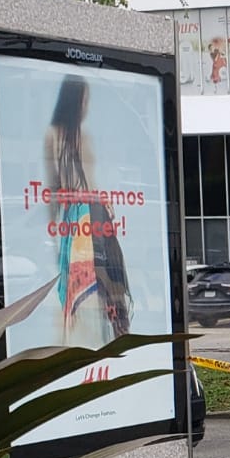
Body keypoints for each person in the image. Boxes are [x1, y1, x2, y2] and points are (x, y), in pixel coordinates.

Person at [45, 75, 132, 345]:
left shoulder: (77, 137)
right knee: (87, 289)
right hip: (81, 221)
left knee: (99, 285)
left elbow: (75, 185)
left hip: (88, 219)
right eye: (85, 100)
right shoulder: (58, 136)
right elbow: (54, 189)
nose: (87, 107)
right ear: (75, 102)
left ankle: (100, 343)